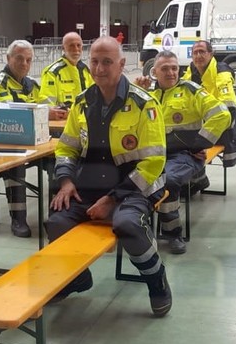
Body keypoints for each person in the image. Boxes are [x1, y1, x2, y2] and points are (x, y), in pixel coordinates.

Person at [47, 36, 172, 316]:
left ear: (121, 64)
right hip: (91, 185)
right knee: (56, 220)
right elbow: (67, 147)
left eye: (107, 62)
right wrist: (66, 181)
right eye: (94, 61)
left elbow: (154, 161)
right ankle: (77, 278)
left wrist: (113, 199)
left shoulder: (144, 104)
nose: (99, 69)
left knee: (127, 224)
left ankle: (156, 280)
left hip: (135, 186)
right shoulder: (82, 103)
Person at [134, 50, 230, 254]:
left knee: (168, 179)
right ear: (154, 72)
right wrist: (137, 92)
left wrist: (199, 144)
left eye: (174, 68)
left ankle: (172, 233)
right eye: (165, 69)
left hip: (185, 155)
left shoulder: (190, 90)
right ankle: (138, 226)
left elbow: (222, 114)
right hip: (153, 155)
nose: (171, 73)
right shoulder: (147, 95)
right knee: (129, 176)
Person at [0, 39, 49, 238]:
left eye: (28, 60)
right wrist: (40, 111)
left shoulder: (31, 83)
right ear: (8, 58)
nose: (24, 63)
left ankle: (56, 213)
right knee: (16, 165)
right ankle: (18, 218)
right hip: (0, 140)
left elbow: (45, 104)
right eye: (19, 58)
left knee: (58, 159)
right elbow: (9, 111)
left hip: (29, 139)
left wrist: (53, 110)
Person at [184, 39, 236, 173]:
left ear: (211, 54)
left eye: (202, 52)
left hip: (222, 126)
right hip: (202, 122)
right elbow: (183, 92)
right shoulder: (192, 70)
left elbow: (229, 109)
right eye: (195, 53)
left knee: (189, 150)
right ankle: (196, 177)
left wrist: (202, 141)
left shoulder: (222, 72)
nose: (198, 56)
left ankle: (196, 176)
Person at [40, 31, 94, 121]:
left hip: (85, 122)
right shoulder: (52, 72)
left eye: (78, 45)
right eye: (71, 45)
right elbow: (48, 106)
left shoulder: (86, 71)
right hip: (62, 123)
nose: (76, 49)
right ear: (63, 48)